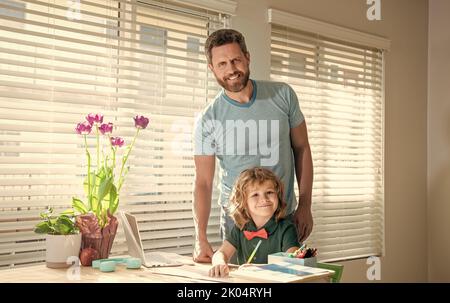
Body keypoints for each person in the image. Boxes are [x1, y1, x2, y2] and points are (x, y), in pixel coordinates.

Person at [193, 28, 313, 263]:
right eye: (222, 64)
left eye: (236, 60)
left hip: (283, 216)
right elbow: (204, 183)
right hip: (237, 221)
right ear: (212, 68)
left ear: (247, 57)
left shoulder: (283, 95)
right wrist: (200, 236)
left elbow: (302, 148)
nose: (231, 70)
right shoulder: (208, 119)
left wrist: (306, 205)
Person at [209, 167, 300, 277]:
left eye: (269, 192)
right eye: (255, 195)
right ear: (243, 202)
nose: (264, 199)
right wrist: (219, 263)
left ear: (278, 196)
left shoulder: (286, 228)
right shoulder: (240, 227)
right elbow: (221, 253)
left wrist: (260, 270)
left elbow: (293, 262)